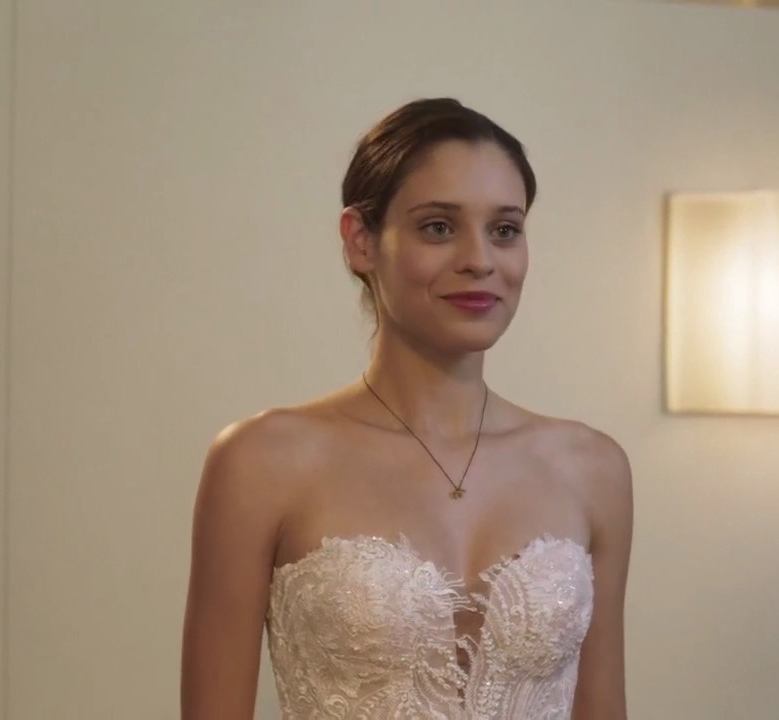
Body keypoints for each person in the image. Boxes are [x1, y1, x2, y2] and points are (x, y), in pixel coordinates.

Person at [181, 97, 633, 719]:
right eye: (438, 227)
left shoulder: (591, 468)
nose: (480, 260)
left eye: (504, 230)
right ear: (361, 242)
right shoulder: (263, 461)